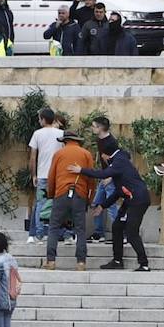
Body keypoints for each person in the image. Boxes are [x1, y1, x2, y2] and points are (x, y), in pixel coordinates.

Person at [72, 138, 151, 271]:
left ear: (104, 154)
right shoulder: (119, 158)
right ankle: (117, 260)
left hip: (137, 200)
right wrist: (102, 206)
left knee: (131, 232)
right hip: (130, 198)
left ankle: (144, 264)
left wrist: (81, 170)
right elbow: (118, 191)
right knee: (117, 227)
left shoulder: (118, 162)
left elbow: (102, 174)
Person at [44, 130, 95, 271]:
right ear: (78, 141)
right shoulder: (86, 154)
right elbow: (91, 179)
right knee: (80, 229)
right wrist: (89, 199)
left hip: (61, 192)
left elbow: (51, 176)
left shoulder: (59, 154)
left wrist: (51, 194)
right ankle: (81, 262)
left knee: (54, 227)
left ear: (65, 142)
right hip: (80, 194)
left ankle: (51, 261)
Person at [27, 109, 65, 244]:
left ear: (43, 119)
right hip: (58, 175)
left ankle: (39, 235)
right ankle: (60, 233)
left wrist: (33, 175)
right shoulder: (61, 134)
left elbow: (33, 157)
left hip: (43, 174)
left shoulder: (37, 134)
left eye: (39, 118)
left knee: (41, 204)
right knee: (58, 205)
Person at [86, 117, 118, 242]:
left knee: (111, 206)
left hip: (110, 177)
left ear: (100, 128)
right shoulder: (100, 140)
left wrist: (110, 177)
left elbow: (117, 162)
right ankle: (99, 233)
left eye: (94, 126)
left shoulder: (111, 143)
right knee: (96, 203)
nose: (92, 128)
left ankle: (120, 234)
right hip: (104, 176)